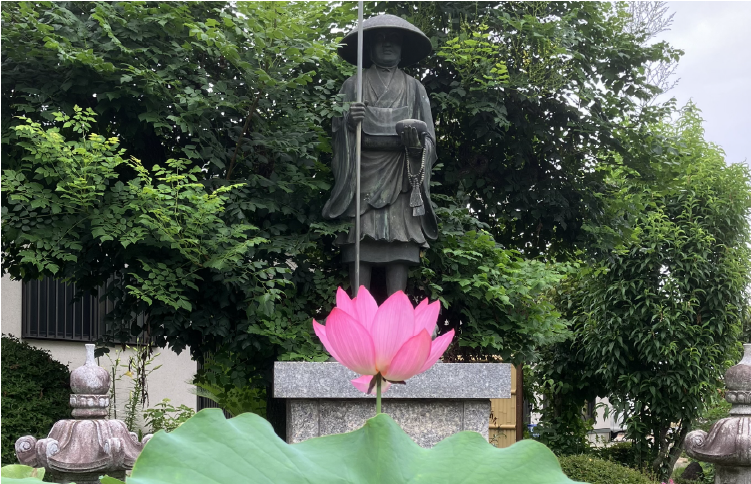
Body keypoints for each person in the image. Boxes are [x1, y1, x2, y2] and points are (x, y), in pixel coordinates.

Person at [322, 14, 438, 297]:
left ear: (402, 48)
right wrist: (348, 123)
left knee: (400, 244)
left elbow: (430, 141)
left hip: (401, 176)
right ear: (370, 47)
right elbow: (337, 136)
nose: (387, 45)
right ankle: (357, 309)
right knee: (360, 245)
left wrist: (416, 148)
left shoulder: (415, 89)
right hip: (362, 178)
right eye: (381, 39)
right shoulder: (353, 85)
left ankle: (398, 309)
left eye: (394, 40)